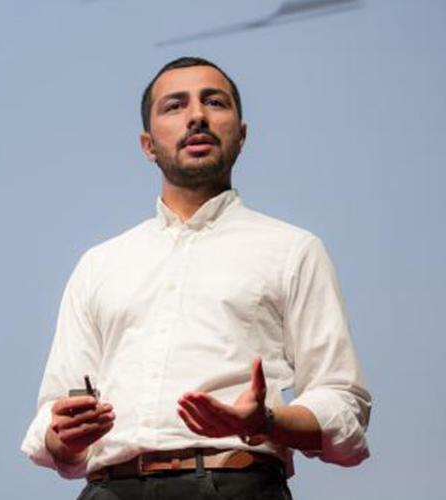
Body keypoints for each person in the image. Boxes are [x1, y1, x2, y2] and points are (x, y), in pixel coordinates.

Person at [21, 56, 371, 499]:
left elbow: (343, 405)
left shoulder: (293, 250)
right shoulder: (99, 264)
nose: (197, 116)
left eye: (215, 102)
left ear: (242, 135)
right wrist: (63, 435)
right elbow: (54, 417)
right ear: (148, 145)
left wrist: (263, 422)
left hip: (236, 484)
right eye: (174, 106)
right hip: (108, 489)